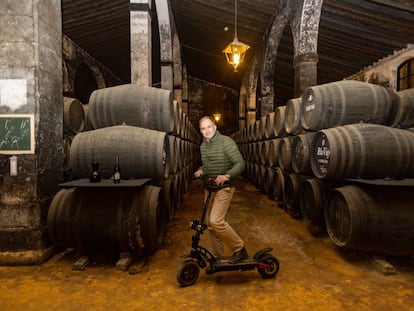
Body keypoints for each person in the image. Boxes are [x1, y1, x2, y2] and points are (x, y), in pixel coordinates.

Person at [194, 116, 247, 263]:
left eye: (209, 127)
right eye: (203, 128)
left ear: (215, 127)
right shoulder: (203, 146)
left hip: (224, 187)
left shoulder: (226, 142)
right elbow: (209, 165)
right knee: (210, 225)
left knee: (216, 220)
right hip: (209, 188)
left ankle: (239, 249)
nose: (206, 131)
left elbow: (240, 163)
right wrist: (201, 170)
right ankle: (218, 257)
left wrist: (227, 175)